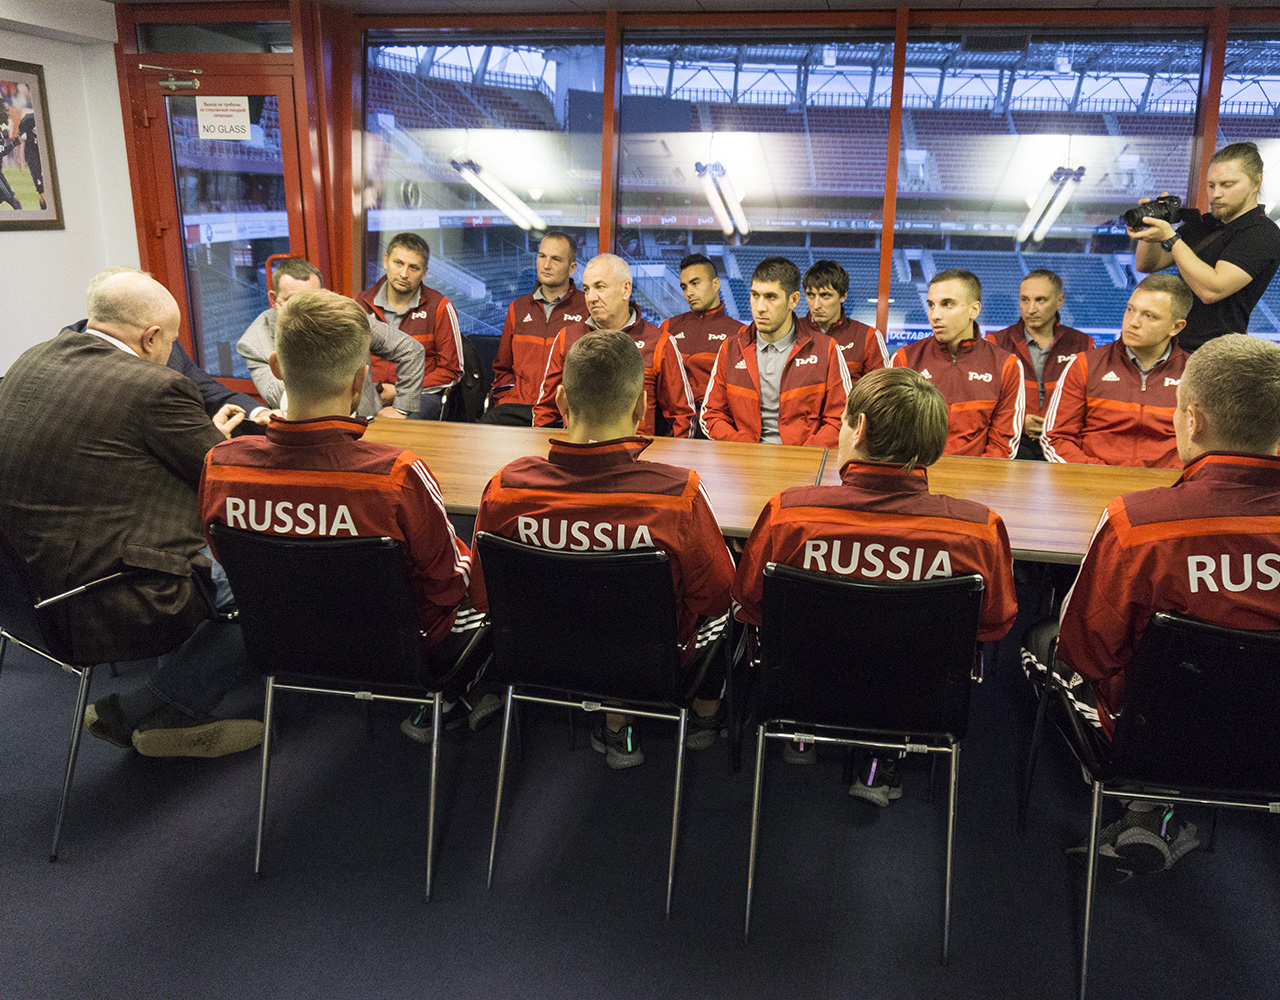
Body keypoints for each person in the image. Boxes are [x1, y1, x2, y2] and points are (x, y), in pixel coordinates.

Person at [1030, 334, 1280, 877]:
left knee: (1043, 644)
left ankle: (1146, 806)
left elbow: (1084, 649)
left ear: (1191, 420)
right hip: (1269, 746)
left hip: (1153, 738)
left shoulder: (1138, 524)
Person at [203, 289, 491, 742]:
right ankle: (460, 697)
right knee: (487, 578)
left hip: (285, 642)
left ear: (275, 367)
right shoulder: (397, 475)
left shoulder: (221, 466)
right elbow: (448, 581)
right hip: (401, 648)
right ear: (361, 382)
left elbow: (230, 560)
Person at [0, 269, 261, 757]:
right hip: (101, 593)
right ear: (151, 337)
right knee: (270, 584)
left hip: (20, 593)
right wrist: (218, 442)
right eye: (172, 342)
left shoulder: (33, 358)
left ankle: (148, 710)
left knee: (193, 546)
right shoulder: (154, 386)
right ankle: (166, 711)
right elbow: (225, 480)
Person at [734, 367, 1016, 799]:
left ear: (859, 427)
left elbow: (749, 603)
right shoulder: (979, 531)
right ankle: (882, 757)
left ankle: (803, 735)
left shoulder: (788, 516)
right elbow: (995, 623)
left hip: (801, 691)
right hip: (922, 700)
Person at [473, 331, 735, 769]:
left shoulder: (506, 489)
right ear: (641, 408)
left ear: (560, 400)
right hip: (651, 663)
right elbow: (717, 597)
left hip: (539, 658)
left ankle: (614, 719)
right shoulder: (677, 496)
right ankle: (703, 716)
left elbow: (483, 597)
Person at [1130, 142, 1280, 352]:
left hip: (1215, 353)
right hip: (1172, 348)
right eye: (1211, 185)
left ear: (1256, 182)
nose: (1216, 194)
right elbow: (1148, 264)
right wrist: (1150, 229)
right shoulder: (1205, 224)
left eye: (1227, 185)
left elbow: (1211, 290)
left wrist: (1171, 238)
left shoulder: (1262, 233)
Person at [238, 258, 424, 419]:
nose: (306, 312)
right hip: (305, 432)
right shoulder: (255, 340)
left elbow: (410, 349)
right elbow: (282, 395)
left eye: (313, 299)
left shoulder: (347, 316)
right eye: (293, 300)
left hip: (365, 421)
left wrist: (401, 408)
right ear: (273, 299)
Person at [533, 254, 695, 438]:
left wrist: (665, 454)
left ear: (626, 289)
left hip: (635, 451)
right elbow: (545, 410)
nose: (591, 297)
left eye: (600, 287)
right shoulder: (567, 338)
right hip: (578, 449)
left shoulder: (659, 342)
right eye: (586, 289)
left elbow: (682, 417)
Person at [1041, 274, 1191, 469]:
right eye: (1130, 310)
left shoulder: (1194, 375)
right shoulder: (1085, 364)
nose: (1133, 322)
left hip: (1168, 484)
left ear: (1176, 327)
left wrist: (1169, 481)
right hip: (1094, 480)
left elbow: (1205, 449)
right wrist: (1101, 474)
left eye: (1149, 316)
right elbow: (1056, 438)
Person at [700, 257, 850, 446]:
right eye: (755, 295)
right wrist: (744, 447)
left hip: (804, 459)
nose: (760, 308)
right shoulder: (730, 348)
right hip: (743, 457)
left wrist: (806, 454)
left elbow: (841, 418)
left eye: (771, 297)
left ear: (793, 300)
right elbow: (711, 414)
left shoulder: (826, 349)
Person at [891, 269, 1025, 459]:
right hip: (915, 472)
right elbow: (892, 432)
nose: (935, 315)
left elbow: (1002, 444)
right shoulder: (903, 359)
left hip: (978, 474)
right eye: (931, 305)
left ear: (974, 310)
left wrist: (975, 475)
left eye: (947, 304)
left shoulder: (1006, 365)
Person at [355, 231, 464, 419]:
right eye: (398, 263)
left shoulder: (440, 307)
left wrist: (400, 391)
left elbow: (452, 371)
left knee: (405, 423)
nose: (404, 274)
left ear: (424, 272)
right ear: (386, 261)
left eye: (413, 267)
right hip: (370, 392)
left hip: (421, 394)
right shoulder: (359, 303)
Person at [483, 231, 587, 426]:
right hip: (518, 406)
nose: (546, 265)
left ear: (572, 268)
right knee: (482, 431)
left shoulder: (587, 309)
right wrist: (507, 397)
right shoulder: (518, 307)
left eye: (556, 259)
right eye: (542, 256)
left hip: (563, 413)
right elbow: (502, 366)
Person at [987, 269, 1093, 460]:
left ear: (1060, 301)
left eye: (1040, 300)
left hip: (1065, 442)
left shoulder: (1083, 344)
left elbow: (1090, 406)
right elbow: (985, 406)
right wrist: (1019, 422)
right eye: (1024, 300)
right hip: (1014, 442)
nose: (1031, 309)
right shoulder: (995, 343)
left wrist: (1057, 425)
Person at [659, 253, 745, 411]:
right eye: (684, 287)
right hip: (671, 419)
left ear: (716, 284)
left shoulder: (739, 333)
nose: (689, 293)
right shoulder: (668, 327)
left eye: (695, 283)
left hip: (715, 418)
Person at [798, 259, 888, 383]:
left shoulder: (867, 336)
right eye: (810, 295)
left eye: (825, 295)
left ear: (843, 296)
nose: (816, 305)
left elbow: (883, 389)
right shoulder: (793, 331)